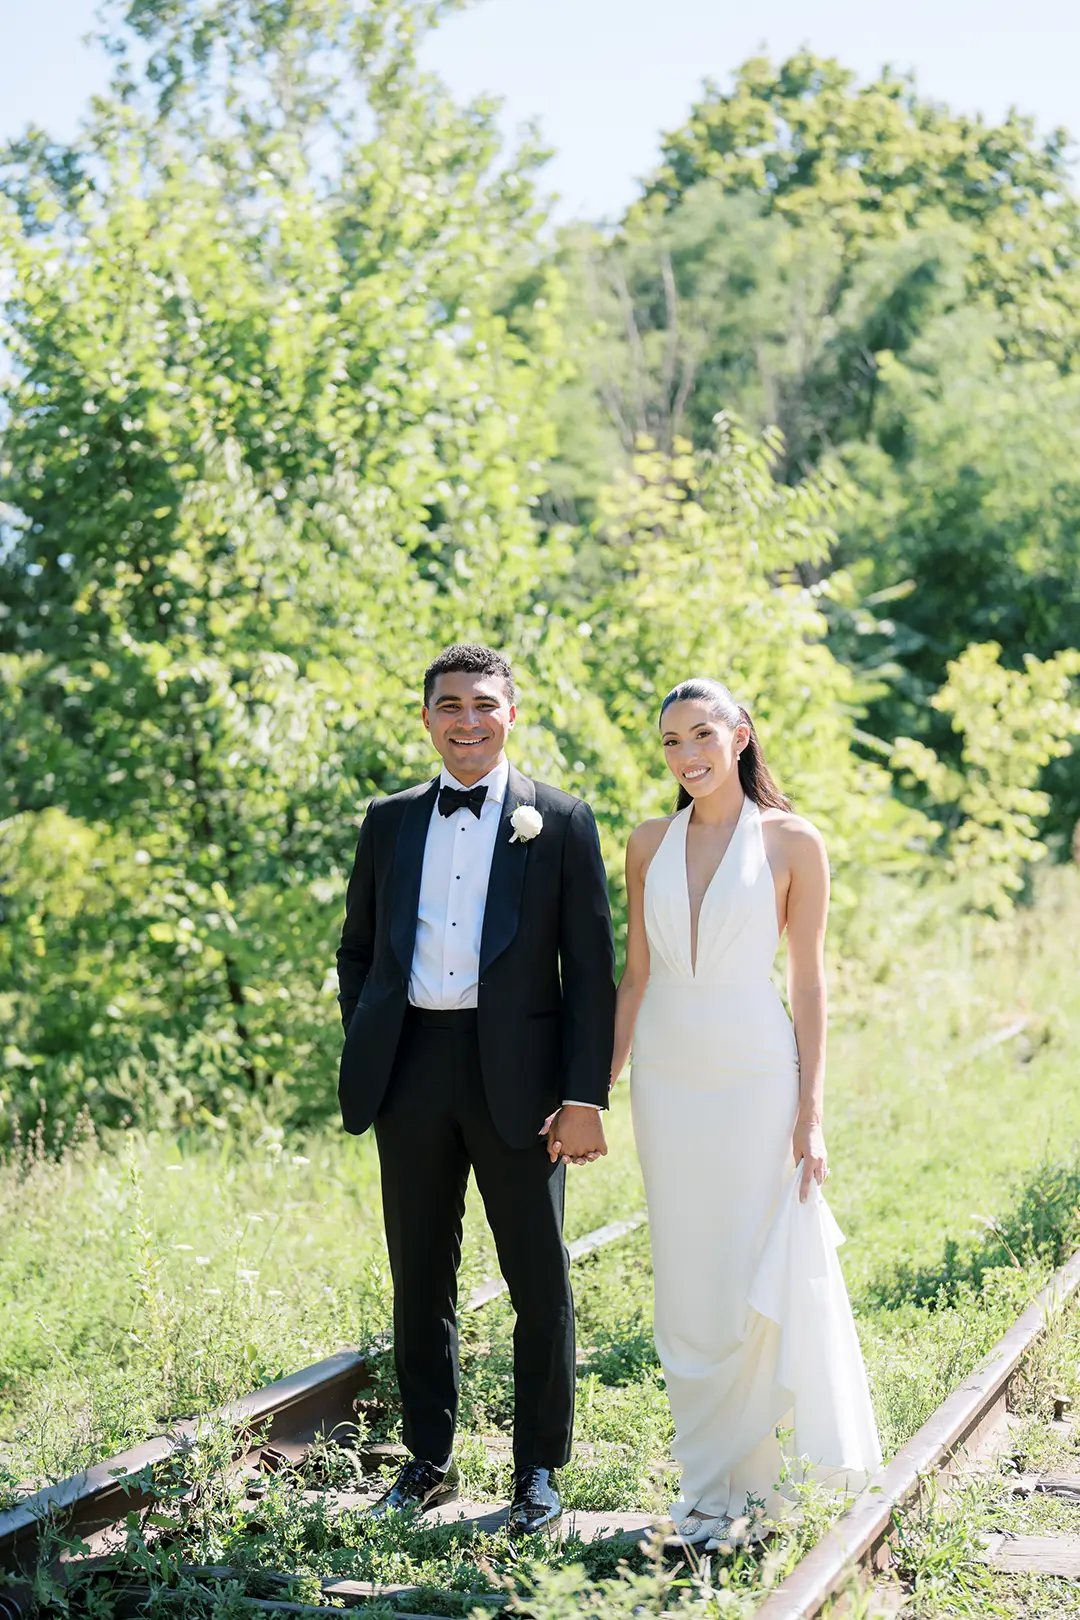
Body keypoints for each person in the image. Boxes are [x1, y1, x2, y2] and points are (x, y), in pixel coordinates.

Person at [336, 644, 615, 1538]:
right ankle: (427, 1459)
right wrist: (372, 1033)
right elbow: (357, 947)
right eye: (450, 705)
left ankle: (538, 1468)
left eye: (484, 705)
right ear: (427, 718)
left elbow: (593, 975)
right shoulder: (388, 819)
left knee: (538, 1276)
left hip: (523, 1083)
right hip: (410, 1068)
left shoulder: (561, 822)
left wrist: (583, 1095)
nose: (467, 720)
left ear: (512, 714)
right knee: (420, 1273)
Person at [611, 677, 881, 1548]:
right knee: (687, 1280)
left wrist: (811, 1111)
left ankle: (758, 1495)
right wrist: (591, 1092)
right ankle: (705, 1488)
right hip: (666, 1075)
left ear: (740, 736)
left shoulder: (793, 841)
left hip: (756, 1074)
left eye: (700, 735)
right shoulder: (648, 841)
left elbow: (807, 981)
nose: (687, 756)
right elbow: (636, 978)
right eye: (671, 743)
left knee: (748, 1272)